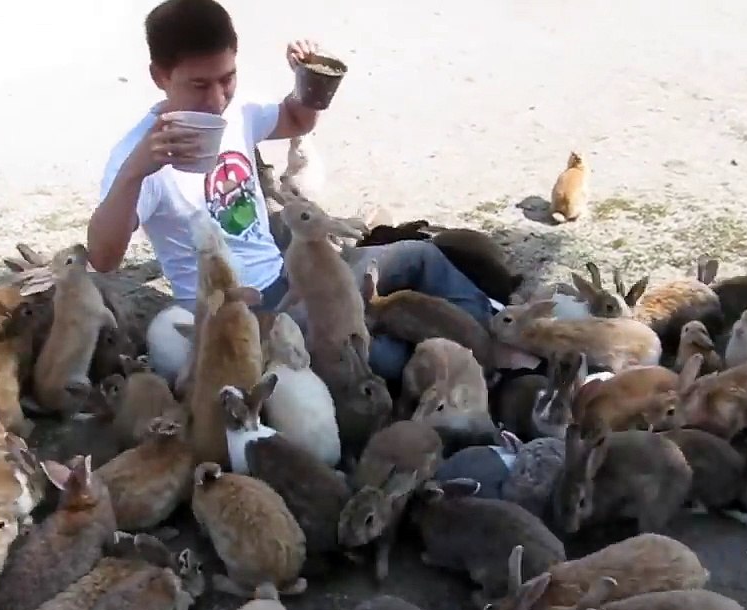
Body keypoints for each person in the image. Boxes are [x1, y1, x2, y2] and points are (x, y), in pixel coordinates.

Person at [87, 0, 492, 381]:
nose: (216, 99)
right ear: (160, 76)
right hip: (244, 315)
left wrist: (309, 78)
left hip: (293, 274)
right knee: (376, 356)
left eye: (227, 78)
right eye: (198, 85)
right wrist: (134, 172)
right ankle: (452, 366)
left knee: (418, 255)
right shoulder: (139, 153)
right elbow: (104, 258)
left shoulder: (238, 108)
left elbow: (296, 119)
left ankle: (495, 338)